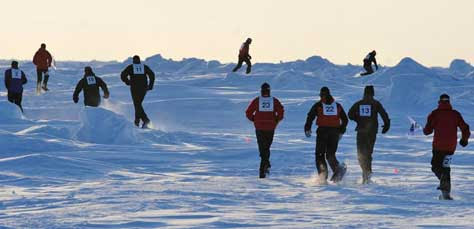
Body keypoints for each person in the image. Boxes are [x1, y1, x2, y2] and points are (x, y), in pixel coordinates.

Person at [423, 94, 470, 200]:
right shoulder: (455, 114)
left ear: (439, 101)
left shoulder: (435, 114)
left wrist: (424, 130)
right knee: (446, 167)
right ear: (449, 102)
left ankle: (443, 182)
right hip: (451, 146)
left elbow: (428, 131)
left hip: (439, 145)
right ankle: (446, 194)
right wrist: (464, 139)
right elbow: (465, 127)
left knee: (435, 166)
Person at [304, 87, 348, 183]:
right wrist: (341, 131)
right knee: (330, 154)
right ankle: (338, 168)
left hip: (322, 132)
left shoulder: (319, 105)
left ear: (321, 95)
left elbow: (310, 116)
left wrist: (307, 128)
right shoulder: (337, 106)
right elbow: (345, 119)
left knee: (320, 154)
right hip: (335, 132)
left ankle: (323, 176)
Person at [348, 85, 390, 184]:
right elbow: (384, 115)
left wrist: (358, 120)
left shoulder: (359, 103)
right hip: (372, 131)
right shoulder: (376, 103)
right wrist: (386, 125)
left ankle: (365, 173)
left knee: (360, 153)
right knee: (368, 153)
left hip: (361, 131)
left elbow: (350, 114)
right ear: (373, 93)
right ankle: (367, 173)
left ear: (364, 93)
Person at [246, 83, 284, 178]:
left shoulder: (257, 100)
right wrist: (276, 119)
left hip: (259, 127)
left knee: (262, 148)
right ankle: (265, 166)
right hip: (270, 127)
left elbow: (248, 112)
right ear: (269, 90)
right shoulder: (274, 101)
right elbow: (281, 112)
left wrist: (254, 119)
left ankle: (263, 168)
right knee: (266, 147)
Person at [120, 55, 155, 128]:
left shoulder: (131, 67)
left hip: (134, 88)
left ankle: (140, 121)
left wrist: (127, 82)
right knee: (138, 104)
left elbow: (122, 75)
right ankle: (143, 121)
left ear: (133, 60)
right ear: (139, 60)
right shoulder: (144, 67)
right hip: (143, 88)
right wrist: (150, 85)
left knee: (137, 104)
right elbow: (152, 75)